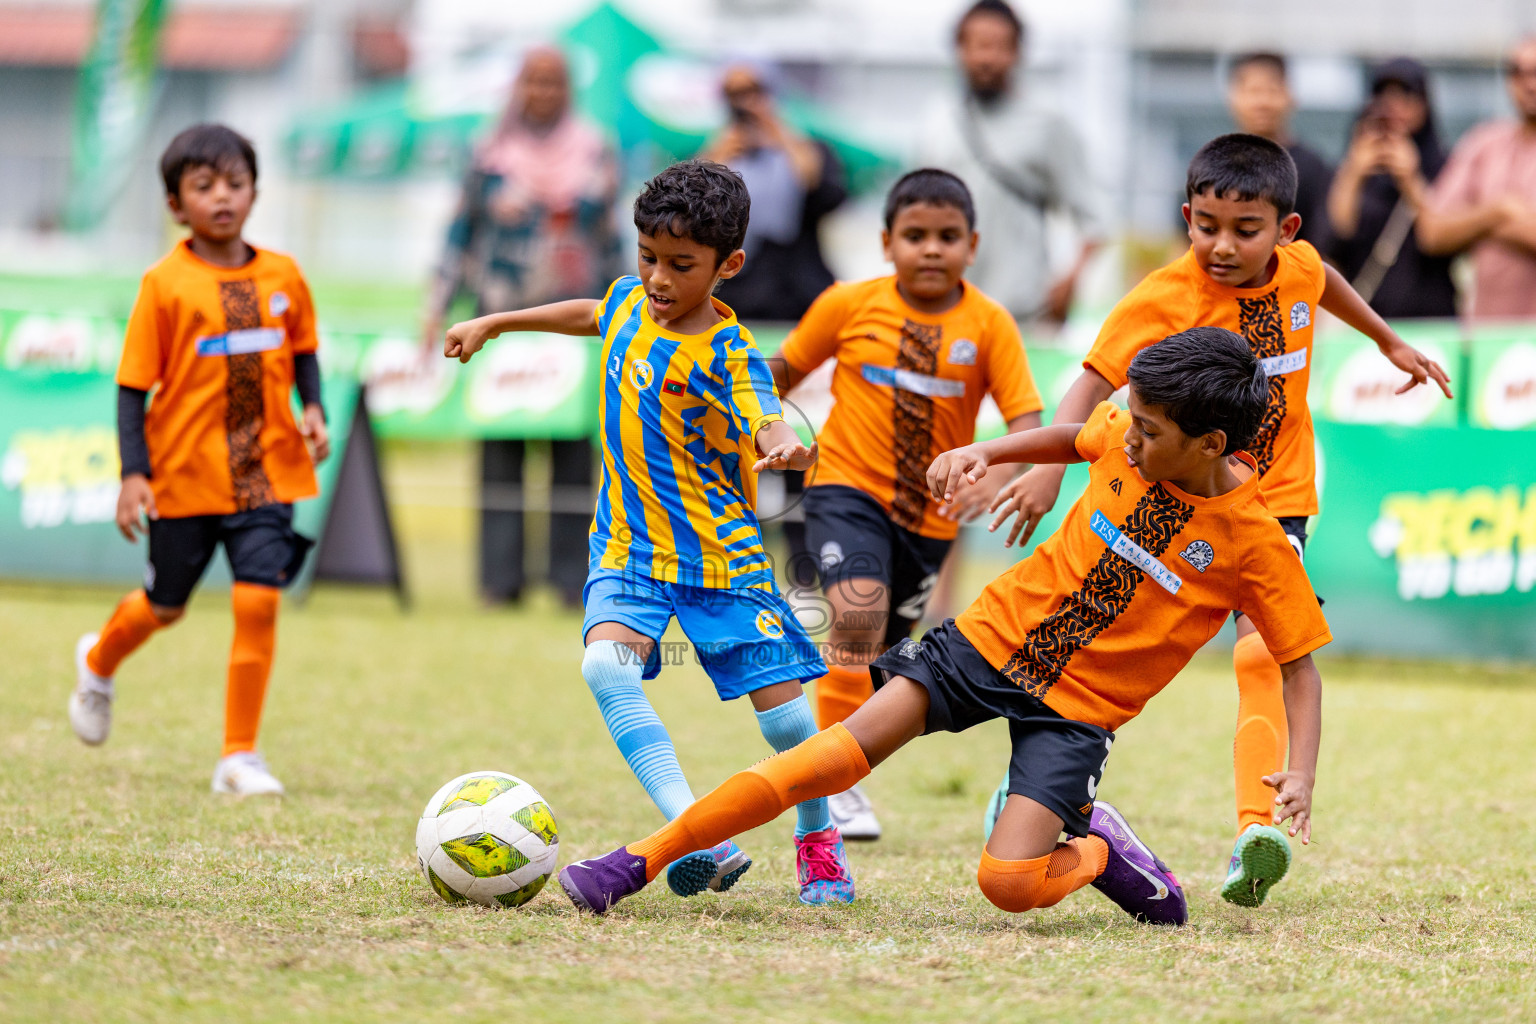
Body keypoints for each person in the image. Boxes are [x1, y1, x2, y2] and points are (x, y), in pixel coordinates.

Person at [557, 329, 1330, 924]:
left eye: (1150, 431)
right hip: (987, 642)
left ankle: (1101, 851)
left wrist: (1299, 774)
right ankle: (638, 861)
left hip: (1078, 711)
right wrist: (983, 450)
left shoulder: (1255, 544)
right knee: (831, 758)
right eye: (1132, 417)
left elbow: (1297, 666)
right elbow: (1076, 436)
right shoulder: (1126, 432)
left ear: (1210, 444)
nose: (1129, 436)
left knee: (1009, 885)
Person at [986, 133, 1451, 908]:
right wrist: (1044, 471)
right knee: (1094, 642)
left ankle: (1253, 834)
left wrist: (1388, 341)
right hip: (1185, 503)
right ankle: (1040, 798)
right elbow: (1093, 378)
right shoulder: (1164, 295)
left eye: (1245, 230)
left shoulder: (1300, 267)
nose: (1222, 245)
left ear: (1285, 230)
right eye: (1207, 226)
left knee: (1262, 651)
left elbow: (1325, 280)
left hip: (1276, 499)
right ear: (1187, 219)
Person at [442, 160, 854, 906]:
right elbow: (592, 313)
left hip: (721, 563)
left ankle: (818, 840)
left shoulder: (730, 353)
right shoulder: (630, 301)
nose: (658, 278)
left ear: (728, 266)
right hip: (628, 553)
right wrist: (495, 322)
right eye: (647, 257)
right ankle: (699, 835)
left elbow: (764, 414)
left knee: (791, 723)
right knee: (605, 669)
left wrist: (781, 445)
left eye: (680, 265)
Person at [770, 169, 1043, 842]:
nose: (931, 249)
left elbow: (1026, 419)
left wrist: (998, 473)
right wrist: (752, 420)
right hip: (844, 489)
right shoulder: (847, 304)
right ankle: (834, 788)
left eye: (947, 237)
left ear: (971, 245)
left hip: (929, 521)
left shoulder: (989, 323)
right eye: (915, 235)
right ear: (887, 242)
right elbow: (776, 374)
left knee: (881, 663)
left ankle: (835, 765)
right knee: (856, 620)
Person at [67, 124, 329, 796]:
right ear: (175, 204)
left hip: (264, 476)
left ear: (255, 193)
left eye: (235, 184)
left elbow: (303, 350)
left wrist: (314, 409)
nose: (222, 197)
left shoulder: (284, 275)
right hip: (184, 478)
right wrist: (134, 474)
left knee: (259, 601)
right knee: (164, 607)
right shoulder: (164, 284)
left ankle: (239, 757)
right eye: (204, 185)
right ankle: (99, 662)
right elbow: (132, 387)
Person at [423, 47, 618, 607]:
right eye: (533, 81)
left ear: (568, 89)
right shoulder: (489, 153)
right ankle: (499, 581)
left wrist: (630, 310)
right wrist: (436, 304)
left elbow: (611, 238)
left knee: (573, 450)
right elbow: (460, 231)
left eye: (553, 82)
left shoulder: (596, 151)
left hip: (576, 326)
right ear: (517, 86)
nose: (543, 92)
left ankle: (569, 579)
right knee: (501, 445)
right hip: (499, 320)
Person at [916, 0, 1105, 324]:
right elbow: (915, 212)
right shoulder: (938, 123)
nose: (987, 58)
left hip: (1023, 313)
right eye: (978, 45)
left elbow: (1093, 219)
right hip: (947, 309)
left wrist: (1070, 280)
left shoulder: (1048, 125)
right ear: (959, 51)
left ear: (1018, 53)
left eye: (999, 47)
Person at [700, 63, 848, 323]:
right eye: (734, 94)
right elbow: (693, 208)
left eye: (753, 90)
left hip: (797, 286)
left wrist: (781, 135)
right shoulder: (717, 151)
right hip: (735, 289)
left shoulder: (804, 148)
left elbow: (824, 191)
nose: (745, 102)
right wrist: (716, 159)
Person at [1325, 58, 1458, 318]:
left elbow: (1442, 239)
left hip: (1432, 319)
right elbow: (1335, 238)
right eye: (1384, 96)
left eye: (1405, 96)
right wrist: (1353, 173)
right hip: (1367, 319)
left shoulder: (1446, 166)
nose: (1394, 107)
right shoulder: (1354, 165)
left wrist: (1411, 180)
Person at [1418, 37, 1536, 320]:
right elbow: (1432, 232)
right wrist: (1499, 211)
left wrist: (1479, 224)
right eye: (1518, 72)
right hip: (1487, 333)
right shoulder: (1484, 144)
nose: (1530, 84)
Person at [1226, 52, 1333, 251]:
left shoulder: (1313, 168)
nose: (1262, 102)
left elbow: (1325, 246)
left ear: (1290, 96)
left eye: (1272, 91)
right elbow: (1187, 241)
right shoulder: (1216, 163)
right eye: (1253, 91)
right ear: (1233, 97)